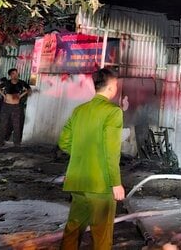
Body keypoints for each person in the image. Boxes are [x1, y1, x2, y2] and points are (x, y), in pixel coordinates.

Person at [58, 67, 125, 249]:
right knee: (101, 236)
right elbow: (111, 152)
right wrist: (116, 183)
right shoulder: (113, 112)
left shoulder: (79, 110)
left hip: (77, 181)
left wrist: (83, 153)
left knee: (72, 230)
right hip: (100, 185)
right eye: (116, 84)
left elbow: (64, 142)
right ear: (111, 87)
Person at [0, 68, 30, 147]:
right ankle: (0, 142)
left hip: (16, 106)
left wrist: (20, 96)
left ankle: (17, 143)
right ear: (10, 75)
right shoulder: (7, 83)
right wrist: (4, 96)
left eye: (16, 73)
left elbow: (28, 89)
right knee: (3, 124)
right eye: (14, 73)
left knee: (17, 125)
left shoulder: (21, 82)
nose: (16, 75)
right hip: (6, 105)